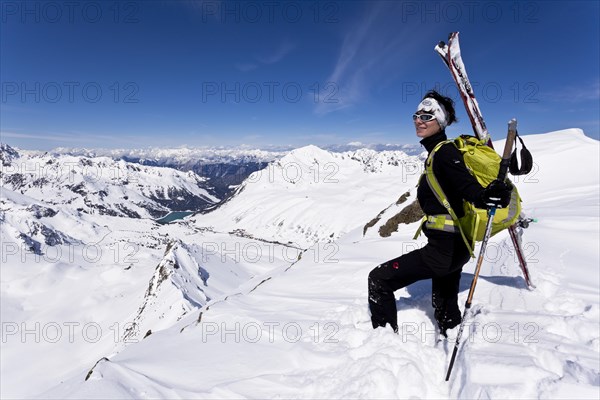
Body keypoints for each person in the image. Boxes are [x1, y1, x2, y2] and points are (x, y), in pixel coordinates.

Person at [367, 89, 512, 336]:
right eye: (416, 115)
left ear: (440, 122)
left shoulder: (444, 153)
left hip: (442, 252)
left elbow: (467, 187)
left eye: (426, 117)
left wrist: (486, 195)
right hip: (457, 250)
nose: (418, 120)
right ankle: (450, 330)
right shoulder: (437, 154)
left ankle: (382, 339)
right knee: (444, 304)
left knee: (379, 279)